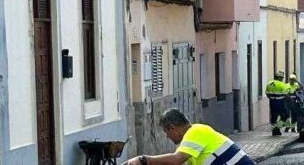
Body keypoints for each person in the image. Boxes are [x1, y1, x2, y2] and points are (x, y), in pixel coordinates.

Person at [123, 108, 255, 165]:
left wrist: (144, 159)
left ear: (172, 127)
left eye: (166, 132)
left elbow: (176, 160)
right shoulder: (189, 147)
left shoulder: (196, 131)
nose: (167, 136)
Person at [265, 70, 290, 136]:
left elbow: (267, 94)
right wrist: (290, 101)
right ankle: (277, 128)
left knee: (274, 116)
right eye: (281, 78)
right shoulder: (282, 84)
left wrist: (273, 98)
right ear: (278, 77)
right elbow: (286, 95)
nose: (282, 79)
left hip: (272, 102)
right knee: (285, 116)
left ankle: (274, 131)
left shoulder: (269, 83)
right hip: (280, 102)